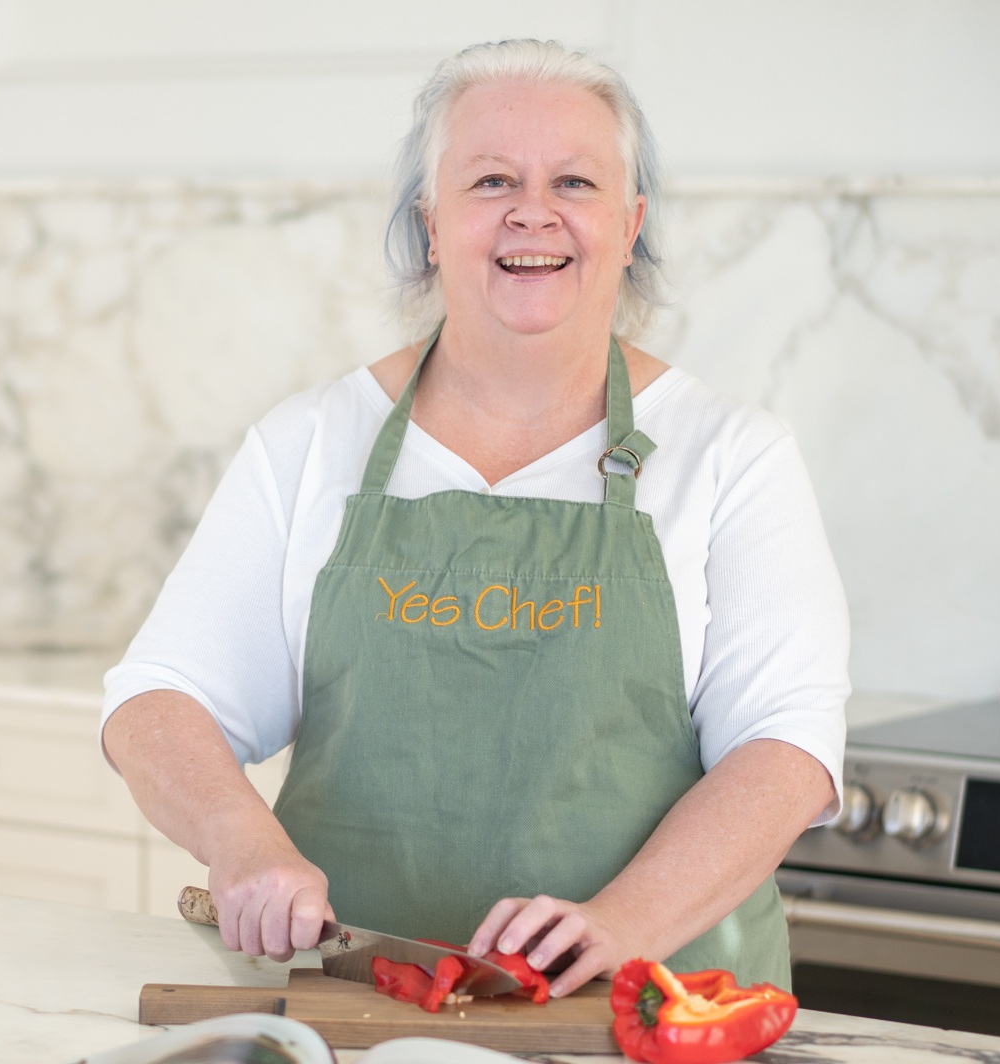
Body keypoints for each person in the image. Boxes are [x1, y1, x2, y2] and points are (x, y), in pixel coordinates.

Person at [101, 38, 849, 998]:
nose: (531, 210)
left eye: (574, 181)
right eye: (491, 178)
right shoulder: (309, 444)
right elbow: (159, 698)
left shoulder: (733, 456)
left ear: (630, 224)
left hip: (648, 1020)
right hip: (354, 1009)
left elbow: (784, 750)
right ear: (432, 221)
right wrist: (245, 845)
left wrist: (617, 926)